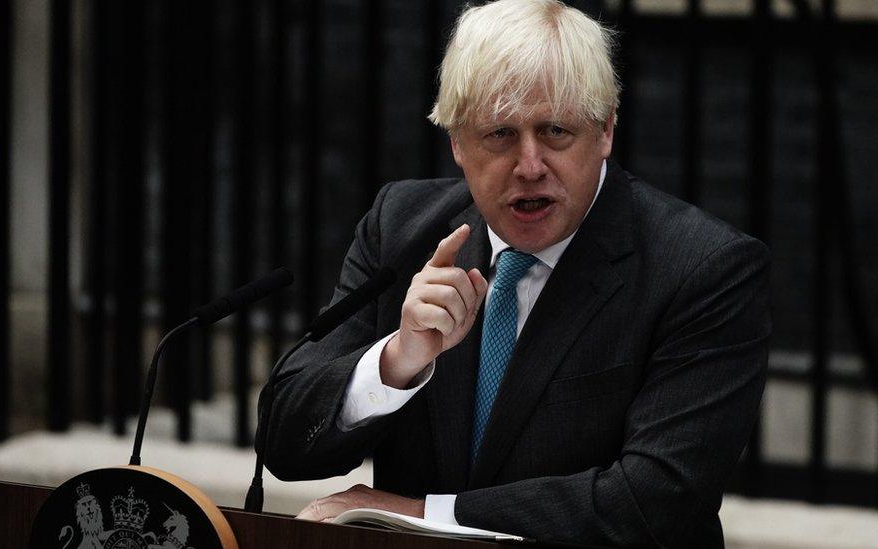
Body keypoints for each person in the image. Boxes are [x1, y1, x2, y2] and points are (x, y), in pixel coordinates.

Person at [264, 0, 770, 546]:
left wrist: (420, 513)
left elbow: (659, 499)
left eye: (555, 131)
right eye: (500, 135)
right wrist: (396, 361)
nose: (530, 166)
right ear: (457, 144)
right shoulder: (402, 228)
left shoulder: (703, 267)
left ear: (605, 130)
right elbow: (284, 444)